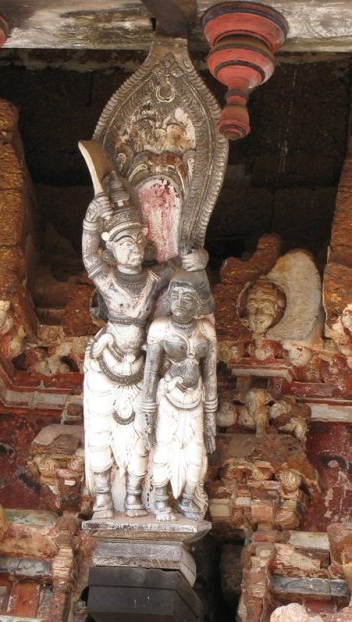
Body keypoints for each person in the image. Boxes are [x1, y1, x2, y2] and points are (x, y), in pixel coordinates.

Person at [81, 149, 207, 519]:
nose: (133, 250)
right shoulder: (106, 277)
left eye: (138, 243)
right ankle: (104, 498)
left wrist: (200, 262)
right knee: (101, 433)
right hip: (106, 363)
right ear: (111, 248)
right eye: (123, 244)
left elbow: (178, 265)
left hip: (139, 366)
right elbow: (89, 256)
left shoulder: (152, 279)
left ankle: (134, 495)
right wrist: (91, 219)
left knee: (140, 437)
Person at [142, 271, 217, 521]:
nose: (181, 302)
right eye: (176, 296)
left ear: (198, 303)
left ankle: (187, 498)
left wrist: (210, 419)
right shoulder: (161, 327)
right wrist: (147, 412)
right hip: (168, 397)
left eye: (188, 297)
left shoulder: (205, 329)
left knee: (195, 452)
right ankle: (161, 497)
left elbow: (210, 375)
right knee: (164, 447)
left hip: (196, 398)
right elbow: (150, 372)